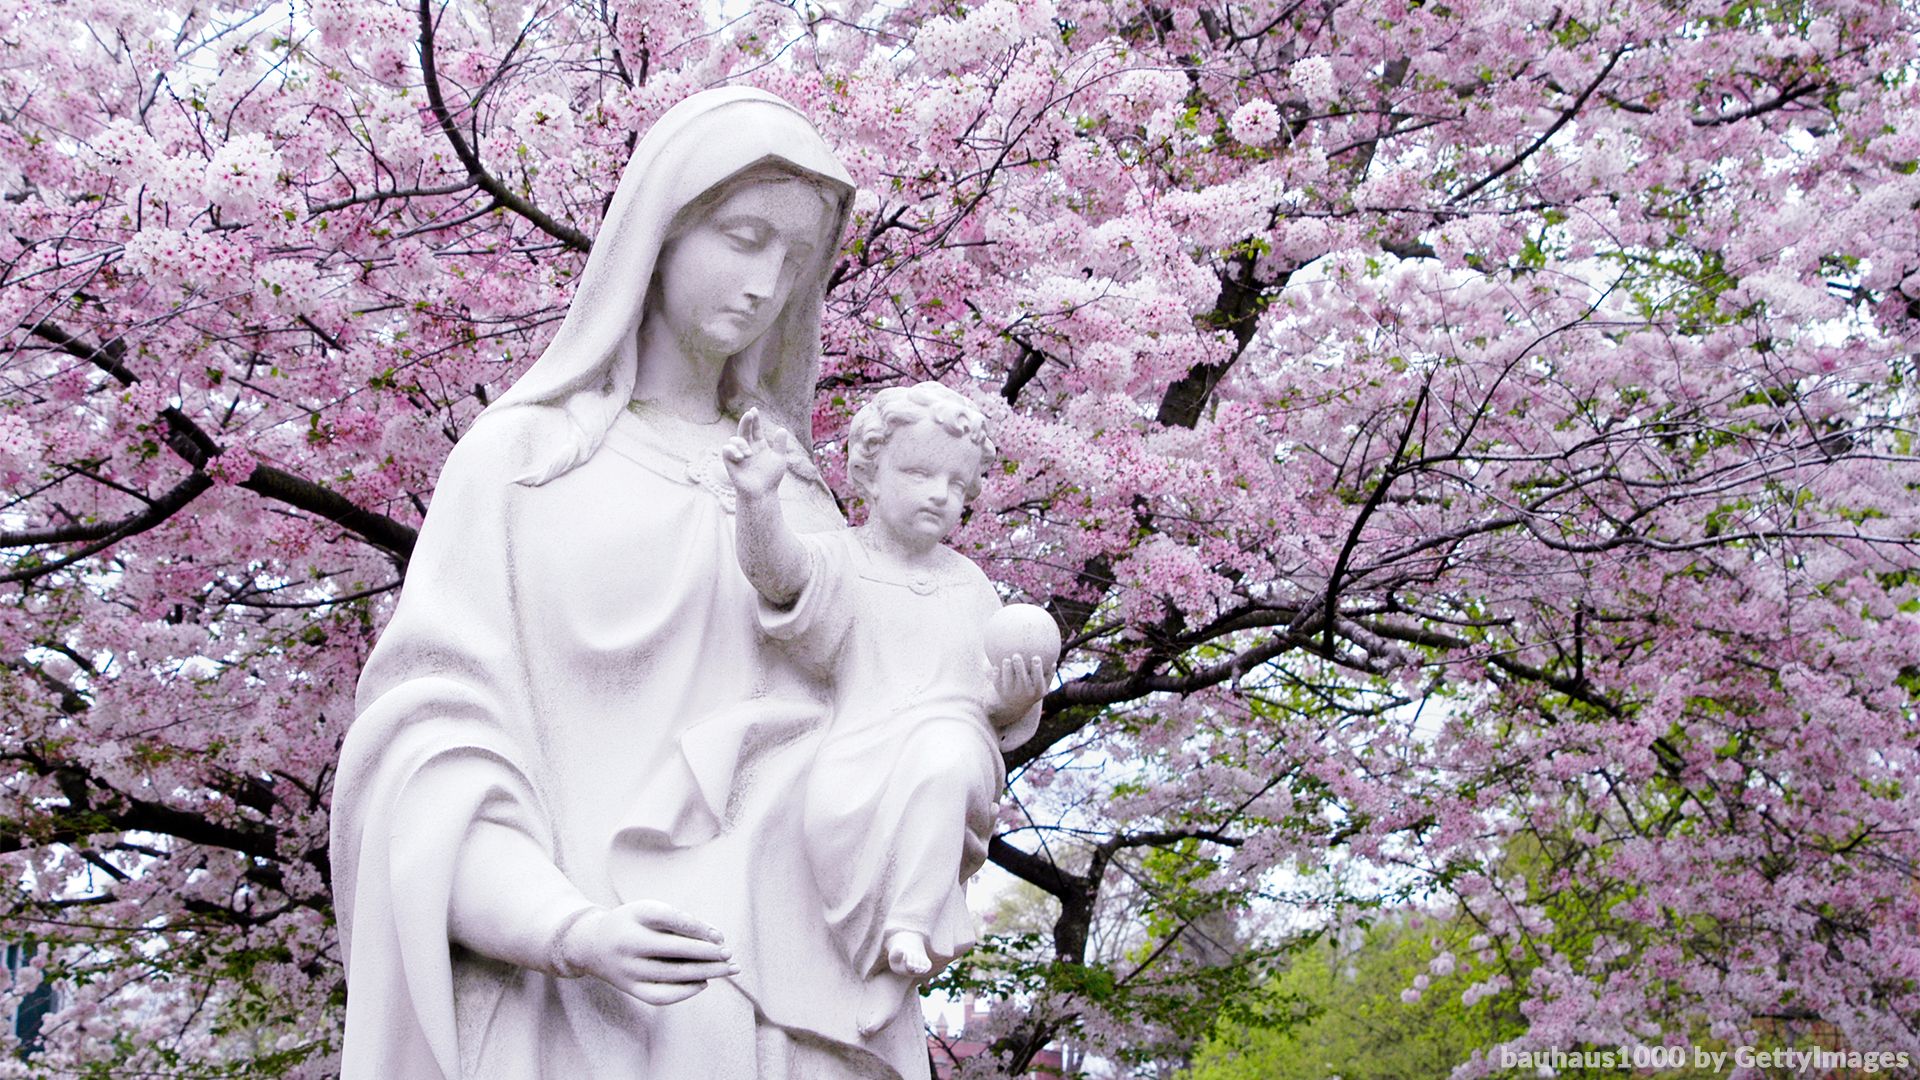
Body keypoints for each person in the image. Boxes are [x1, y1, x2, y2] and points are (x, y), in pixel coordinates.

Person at [329, 87, 924, 1078]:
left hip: (793, 999)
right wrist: (561, 926)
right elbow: (425, 758)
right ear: (661, 227)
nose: (766, 283)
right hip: (585, 1001)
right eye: (742, 236)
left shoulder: (801, 499)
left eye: (795, 258)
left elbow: (885, 718)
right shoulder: (525, 462)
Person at [710, 384, 1055, 1033]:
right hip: (858, 755)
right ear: (868, 473)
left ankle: (908, 935)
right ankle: (877, 950)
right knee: (855, 799)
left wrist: (1013, 699)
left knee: (945, 759)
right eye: (919, 473)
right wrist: (757, 500)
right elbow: (779, 575)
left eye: (955, 484)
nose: (937, 494)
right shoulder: (845, 560)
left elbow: (991, 702)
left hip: (955, 744)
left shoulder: (971, 585)